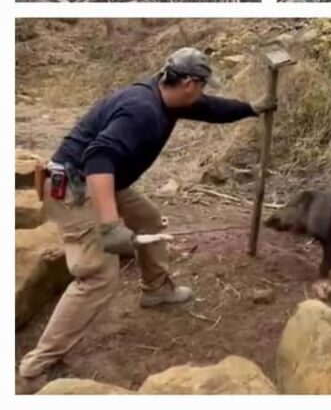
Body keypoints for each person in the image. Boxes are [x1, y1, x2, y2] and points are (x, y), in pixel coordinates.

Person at [18, 47, 276, 380]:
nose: (204, 93)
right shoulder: (142, 111)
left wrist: (250, 109)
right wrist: (110, 226)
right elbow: (98, 160)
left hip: (103, 182)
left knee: (148, 219)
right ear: (188, 84)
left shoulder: (163, 96)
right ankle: (38, 362)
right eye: (202, 86)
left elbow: (210, 108)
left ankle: (157, 290)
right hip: (75, 188)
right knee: (97, 274)